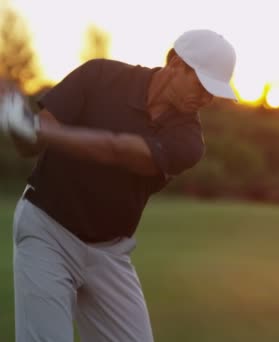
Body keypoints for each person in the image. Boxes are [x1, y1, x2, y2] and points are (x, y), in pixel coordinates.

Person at [0, 29, 237, 341]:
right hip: (47, 231)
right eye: (202, 85)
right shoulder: (99, 76)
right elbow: (33, 142)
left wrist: (34, 129)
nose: (207, 98)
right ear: (177, 63)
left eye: (213, 92)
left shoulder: (188, 140)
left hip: (109, 254)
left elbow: (118, 150)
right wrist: (23, 128)